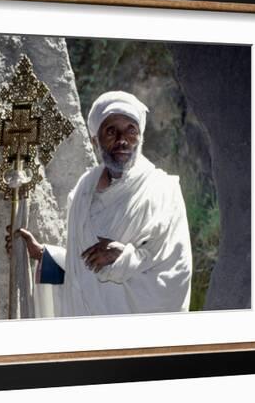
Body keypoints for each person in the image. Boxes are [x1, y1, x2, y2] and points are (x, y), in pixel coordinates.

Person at [11, 90, 192, 316]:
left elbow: (176, 271)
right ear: (95, 140)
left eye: (131, 130)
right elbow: (83, 267)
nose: (122, 140)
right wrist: (45, 255)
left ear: (141, 136)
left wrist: (123, 256)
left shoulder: (163, 190)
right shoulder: (83, 190)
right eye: (111, 131)